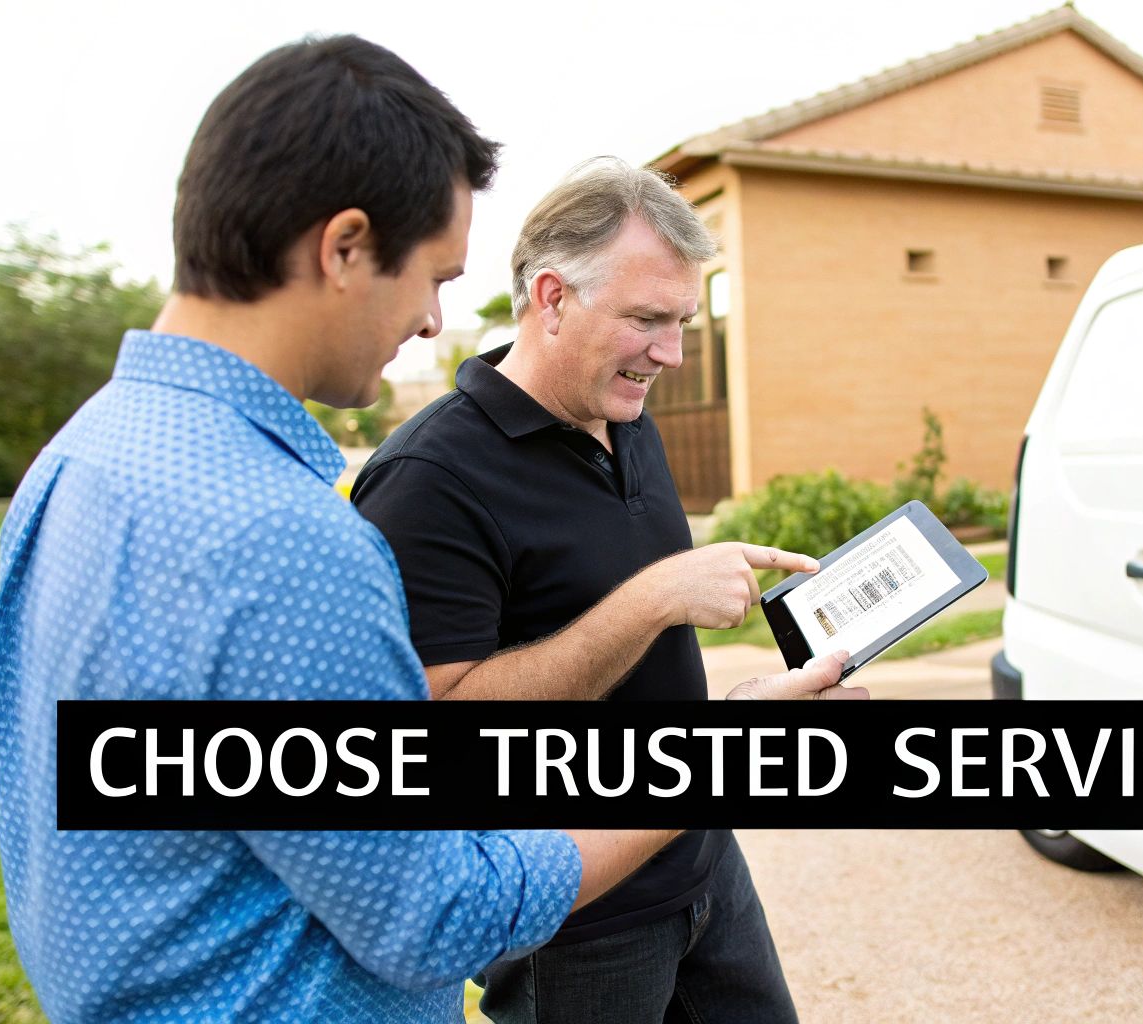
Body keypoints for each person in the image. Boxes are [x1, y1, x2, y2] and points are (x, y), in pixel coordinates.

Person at [0, 40, 847, 1024]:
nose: (436, 322)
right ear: (344, 246)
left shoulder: (76, 458)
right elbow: (436, 912)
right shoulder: (282, 538)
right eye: (433, 277)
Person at [351, 158, 862, 1024]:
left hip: (703, 856)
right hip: (573, 921)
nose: (670, 352)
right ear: (551, 298)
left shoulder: (628, 415)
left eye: (684, 321)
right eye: (646, 320)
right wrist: (654, 597)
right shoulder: (427, 479)